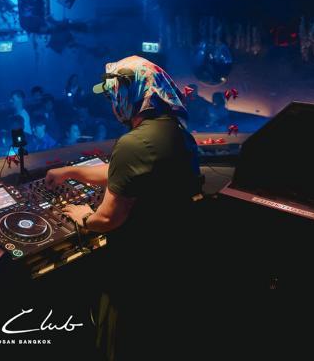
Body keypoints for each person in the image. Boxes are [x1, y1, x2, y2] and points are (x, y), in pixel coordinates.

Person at [44, 56, 201, 360]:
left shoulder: (134, 143)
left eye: (114, 92)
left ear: (135, 91)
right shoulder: (176, 133)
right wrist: (71, 172)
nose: (113, 101)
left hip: (136, 278)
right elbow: (125, 173)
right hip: (173, 264)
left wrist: (83, 216)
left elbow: (108, 219)